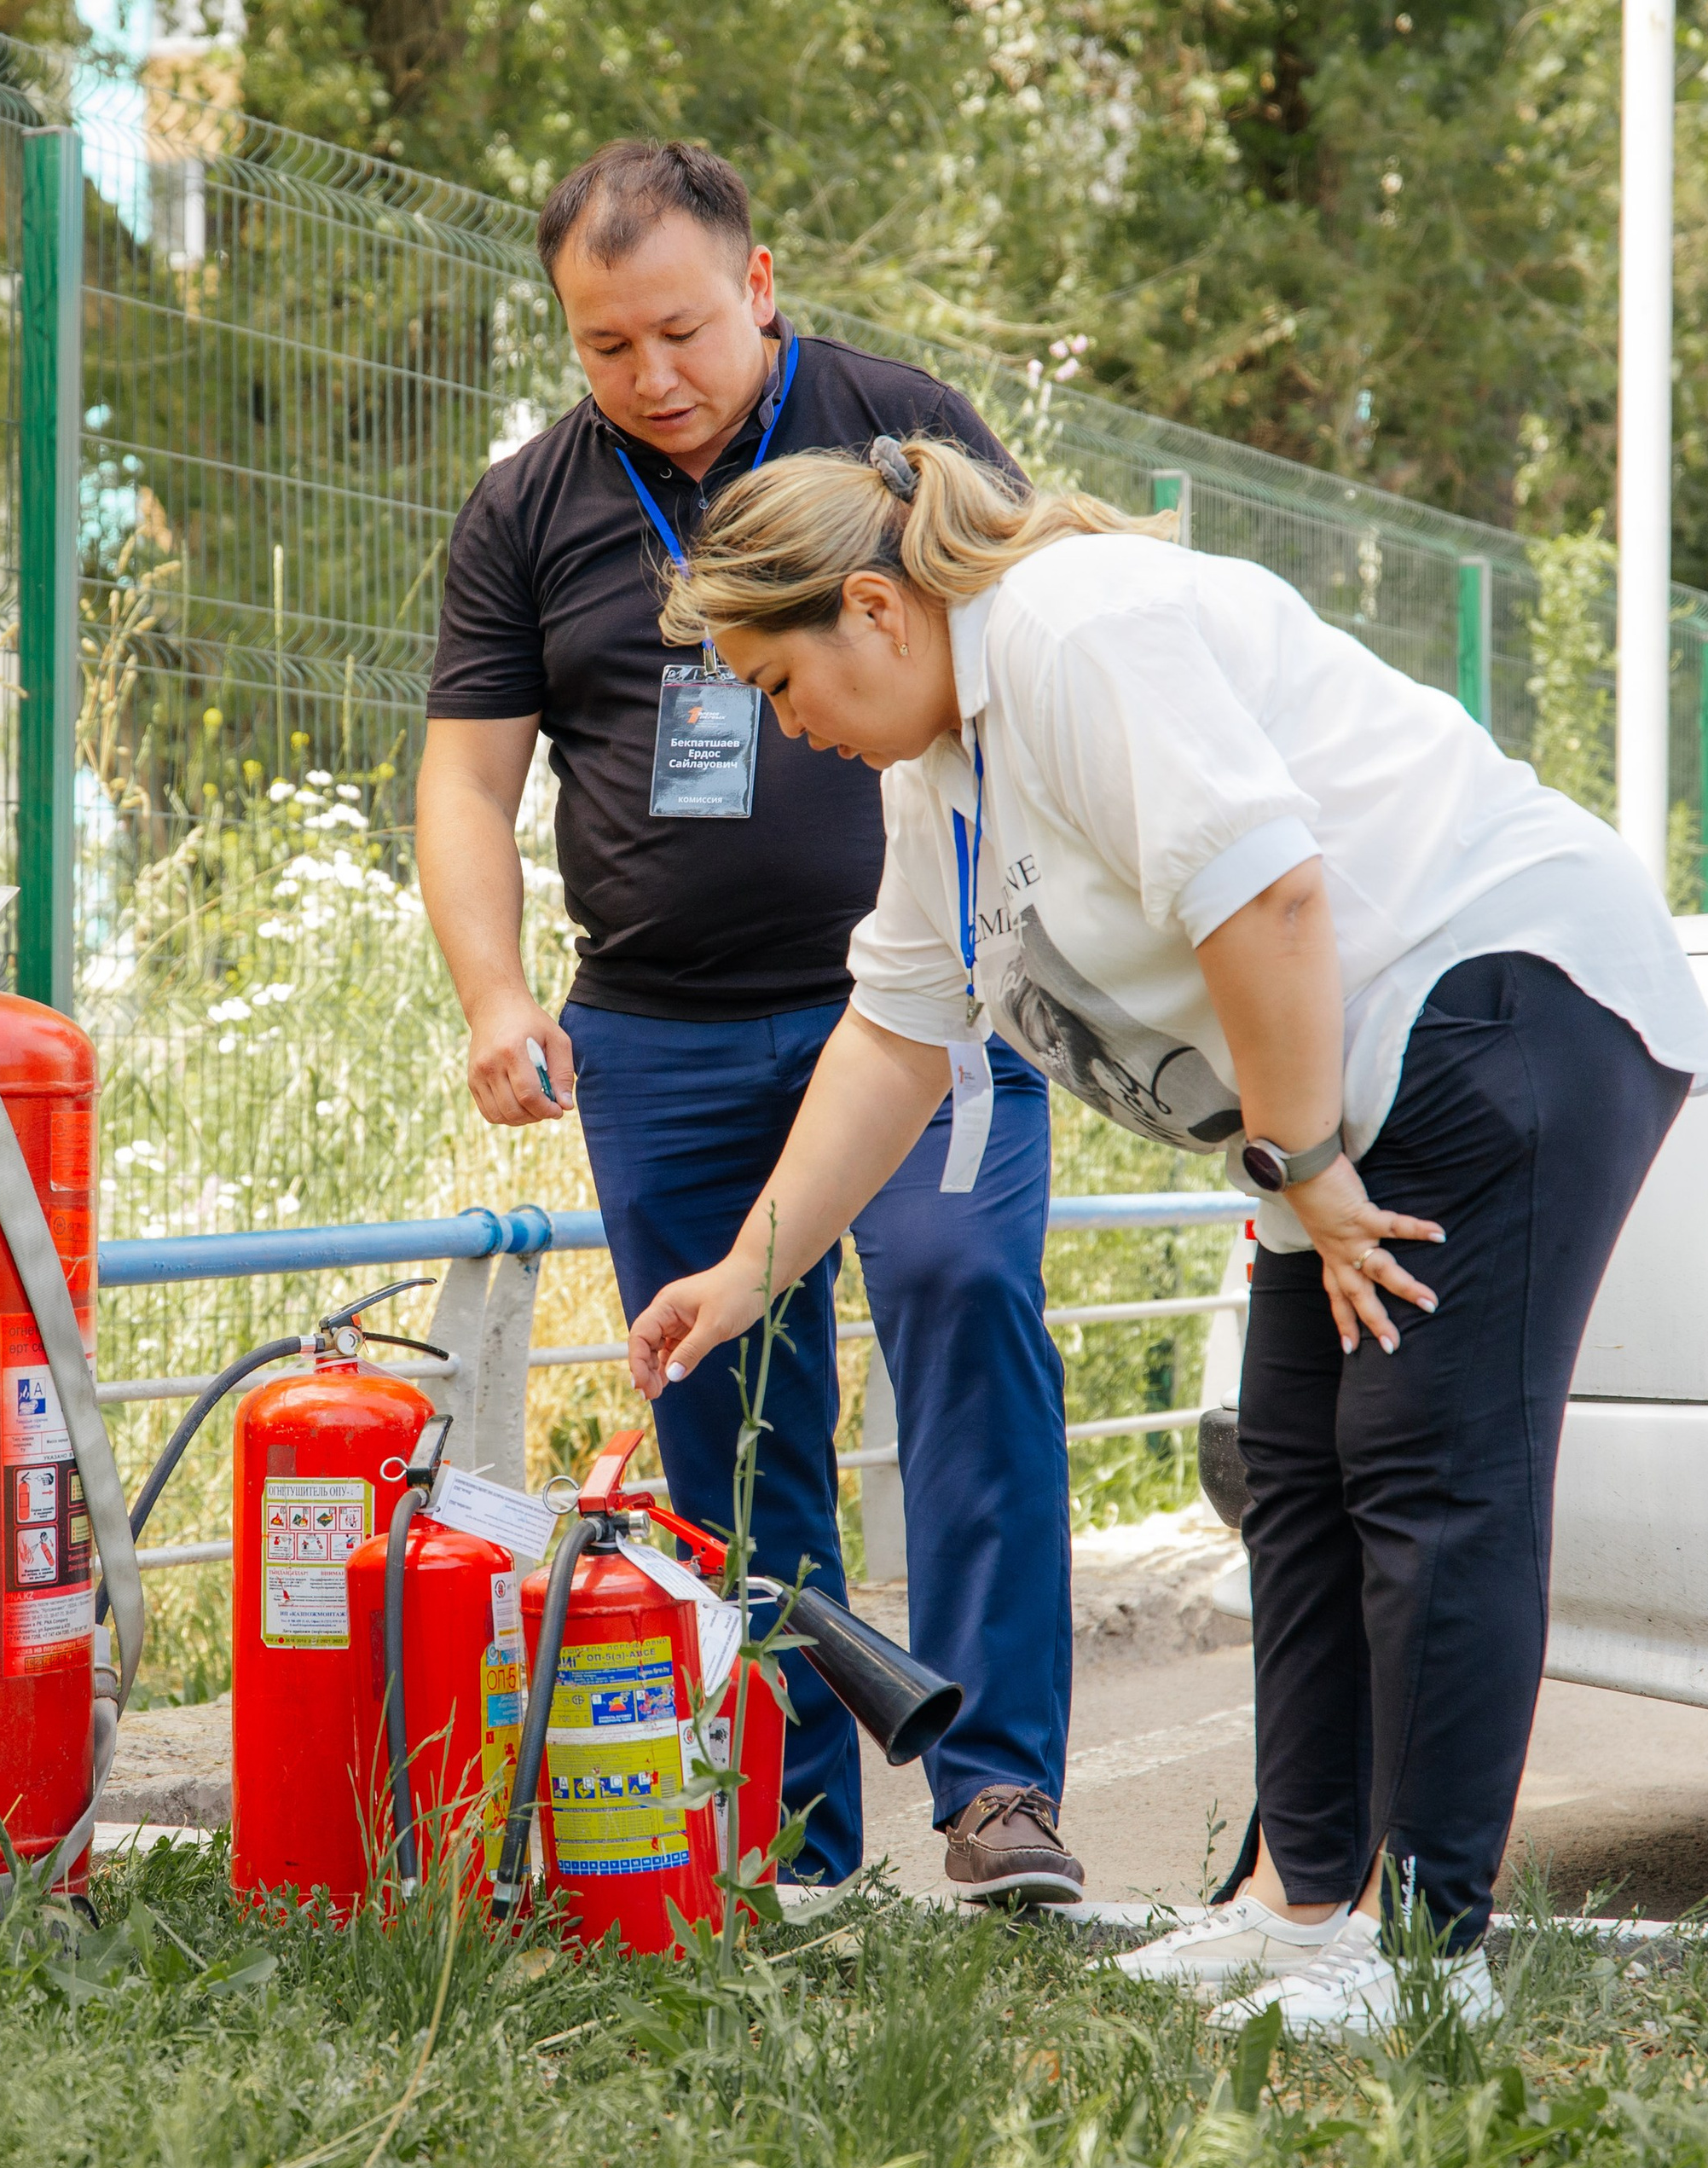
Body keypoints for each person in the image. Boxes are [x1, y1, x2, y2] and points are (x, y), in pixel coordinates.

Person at [623, 432, 1708, 2032]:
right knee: (1297, 1457)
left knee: (1423, 1458)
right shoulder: (942, 772)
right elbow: (896, 1039)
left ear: (874, 608)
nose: (789, 732)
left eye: (783, 688)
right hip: (1349, 1069)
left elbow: (1263, 894)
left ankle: (1430, 1951)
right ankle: (1303, 1908)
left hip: (1511, 992)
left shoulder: (1073, 628)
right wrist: (742, 1274)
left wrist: (1304, 1158)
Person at [419, 141, 1083, 1898]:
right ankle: (790, 1838)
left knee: (959, 1304)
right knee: (728, 1408)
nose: (650, 377)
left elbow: (1031, 671)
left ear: (760, 282)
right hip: (659, 1034)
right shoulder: (526, 509)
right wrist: (493, 996)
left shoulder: (896, 428)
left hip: (932, 1001)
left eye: (682, 331)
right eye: (603, 346)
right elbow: (465, 781)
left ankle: (999, 1791)